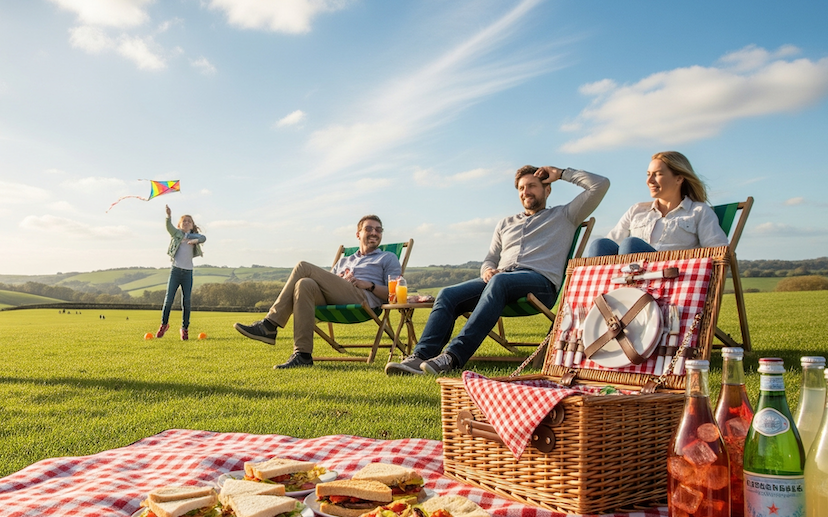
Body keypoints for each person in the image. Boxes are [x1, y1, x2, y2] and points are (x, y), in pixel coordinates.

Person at [386, 165, 609, 376]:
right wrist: (487, 270)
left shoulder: (565, 215)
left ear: (547, 189)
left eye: (532, 186)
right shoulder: (505, 223)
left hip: (539, 284)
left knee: (500, 282)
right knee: (447, 294)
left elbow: (601, 184)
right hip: (499, 281)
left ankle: (452, 357)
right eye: (521, 188)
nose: (526, 192)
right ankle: (420, 356)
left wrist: (561, 173)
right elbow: (490, 258)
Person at [234, 215, 402, 369]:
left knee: (303, 267)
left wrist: (368, 284)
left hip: (363, 301)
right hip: (336, 298)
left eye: (378, 230)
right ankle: (303, 355)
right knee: (304, 284)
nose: (374, 233)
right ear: (358, 234)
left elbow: (393, 293)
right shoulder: (345, 260)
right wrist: (341, 279)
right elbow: (328, 284)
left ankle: (270, 325)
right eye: (369, 229)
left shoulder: (387, 258)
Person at [587, 151, 728, 257]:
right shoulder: (637, 210)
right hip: (631, 275)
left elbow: (718, 253)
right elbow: (611, 244)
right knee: (600, 244)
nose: (649, 181)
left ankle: (630, 293)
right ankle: (600, 293)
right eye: (648, 174)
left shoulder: (698, 211)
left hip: (672, 279)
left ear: (679, 179)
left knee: (631, 245)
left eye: (658, 174)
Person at [156, 205, 206, 340]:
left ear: (192, 225)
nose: (187, 222)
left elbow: (203, 237)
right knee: (168, 300)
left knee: (187, 302)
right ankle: (164, 325)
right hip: (176, 271)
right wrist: (168, 216)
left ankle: (184, 328)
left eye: (189, 221)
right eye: (184, 221)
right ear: (179, 224)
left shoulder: (193, 236)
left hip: (188, 273)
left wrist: (195, 240)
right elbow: (169, 228)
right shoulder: (176, 234)